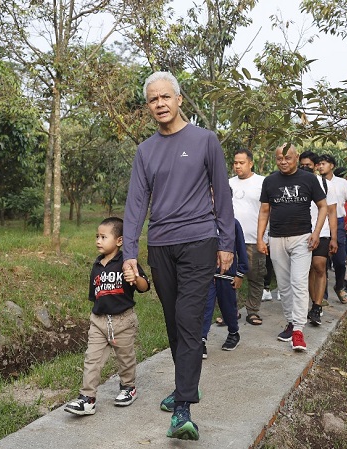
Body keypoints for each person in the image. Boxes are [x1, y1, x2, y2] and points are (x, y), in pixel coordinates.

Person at [122, 71, 234, 441]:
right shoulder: (145, 150)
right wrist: (129, 253)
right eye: (153, 99)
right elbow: (136, 204)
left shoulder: (205, 140)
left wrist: (226, 243)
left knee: (188, 320)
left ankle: (183, 408)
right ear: (149, 106)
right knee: (173, 322)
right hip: (161, 246)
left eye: (165, 97)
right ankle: (186, 385)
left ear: (179, 99)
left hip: (200, 241)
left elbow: (223, 193)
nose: (160, 104)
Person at [63, 217, 150, 416]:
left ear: (119, 241)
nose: (98, 241)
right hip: (99, 321)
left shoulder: (127, 262)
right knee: (91, 359)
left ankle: (128, 387)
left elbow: (145, 286)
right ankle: (87, 399)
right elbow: (95, 297)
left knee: (125, 358)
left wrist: (135, 278)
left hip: (123, 321)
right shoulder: (96, 265)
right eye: (97, 236)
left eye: (103, 237)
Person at [257, 144, 332, 352]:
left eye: (287, 158)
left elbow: (323, 206)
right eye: (279, 158)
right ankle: (291, 321)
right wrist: (260, 239)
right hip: (276, 238)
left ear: (296, 158)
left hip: (302, 237)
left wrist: (316, 233)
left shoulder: (309, 179)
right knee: (283, 285)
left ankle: (298, 330)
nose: (283, 161)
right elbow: (264, 211)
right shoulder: (270, 181)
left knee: (298, 282)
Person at [229, 148, 267, 325]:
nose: (237, 166)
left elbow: (268, 211)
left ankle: (252, 310)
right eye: (235, 162)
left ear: (250, 163)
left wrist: (263, 238)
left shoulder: (262, 182)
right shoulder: (228, 183)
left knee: (256, 276)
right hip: (230, 239)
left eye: (241, 163)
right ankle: (232, 311)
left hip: (254, 238)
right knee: (230, 277)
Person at [201, 219, 249, 358]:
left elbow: (241, 248)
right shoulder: (201, 222)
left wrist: (240, 273)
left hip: (227, 275)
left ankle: (234, 333)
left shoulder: (232, 223)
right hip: (206, 275)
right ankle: (201, 340)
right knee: (205, 307)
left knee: (228, 307)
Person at [317, 154, 347, 304]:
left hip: (338, 222)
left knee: (339, 260)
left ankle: (339, 286)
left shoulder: (342, 183)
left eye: (323, 163)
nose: (320, 166)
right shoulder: (315, 181)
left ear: (331, 165)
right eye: (318, 164)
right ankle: (322, 296)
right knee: (321, 261)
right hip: (320, 222)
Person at [308, 155, 338, 326]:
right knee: (309, 270)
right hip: (303, 233)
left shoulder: (327, 184)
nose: (306, 167)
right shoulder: (297, 181)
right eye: (302, 164)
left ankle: (317, 306)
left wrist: (334, 237)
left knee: (319, 266)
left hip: (324, 232)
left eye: (309, 165)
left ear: (315, 166)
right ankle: (313, 303)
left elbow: (332, 211)